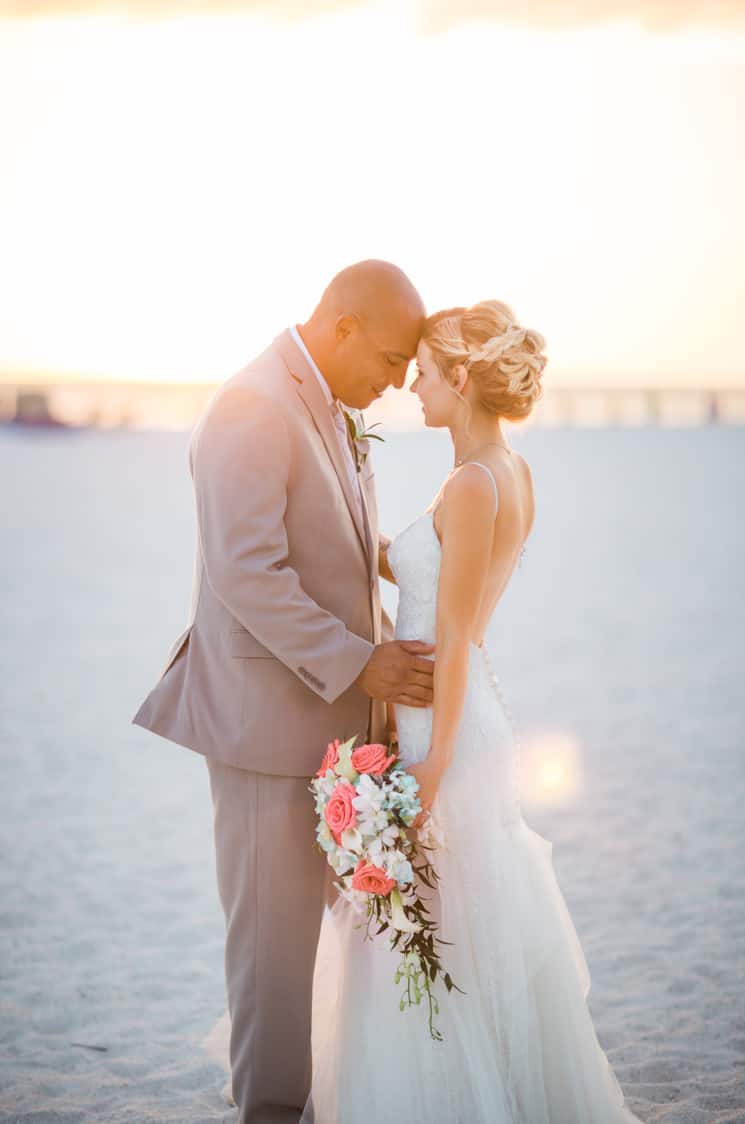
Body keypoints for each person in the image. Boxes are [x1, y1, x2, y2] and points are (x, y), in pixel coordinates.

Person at [295, 300, 645, 1122]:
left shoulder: (476, 482)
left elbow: (452, 639)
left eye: (422, 371)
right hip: (451, 712)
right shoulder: (503, 470)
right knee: (446, 929)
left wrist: (430, 768)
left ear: (459, 378)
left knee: (440, 932)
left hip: (444, 725)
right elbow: (420, 578)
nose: (410, 385)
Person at [132, 260, 436, 1124]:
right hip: (268, 736)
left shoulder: (327, 405)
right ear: (341, 326)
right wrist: (360, 660)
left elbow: (329, 530)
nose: (392, 384)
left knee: (326, 956)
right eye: (386, 360)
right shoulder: (252, 406)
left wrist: (407, 560)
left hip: (331, 735)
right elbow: (246, 572)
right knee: (272, 961)